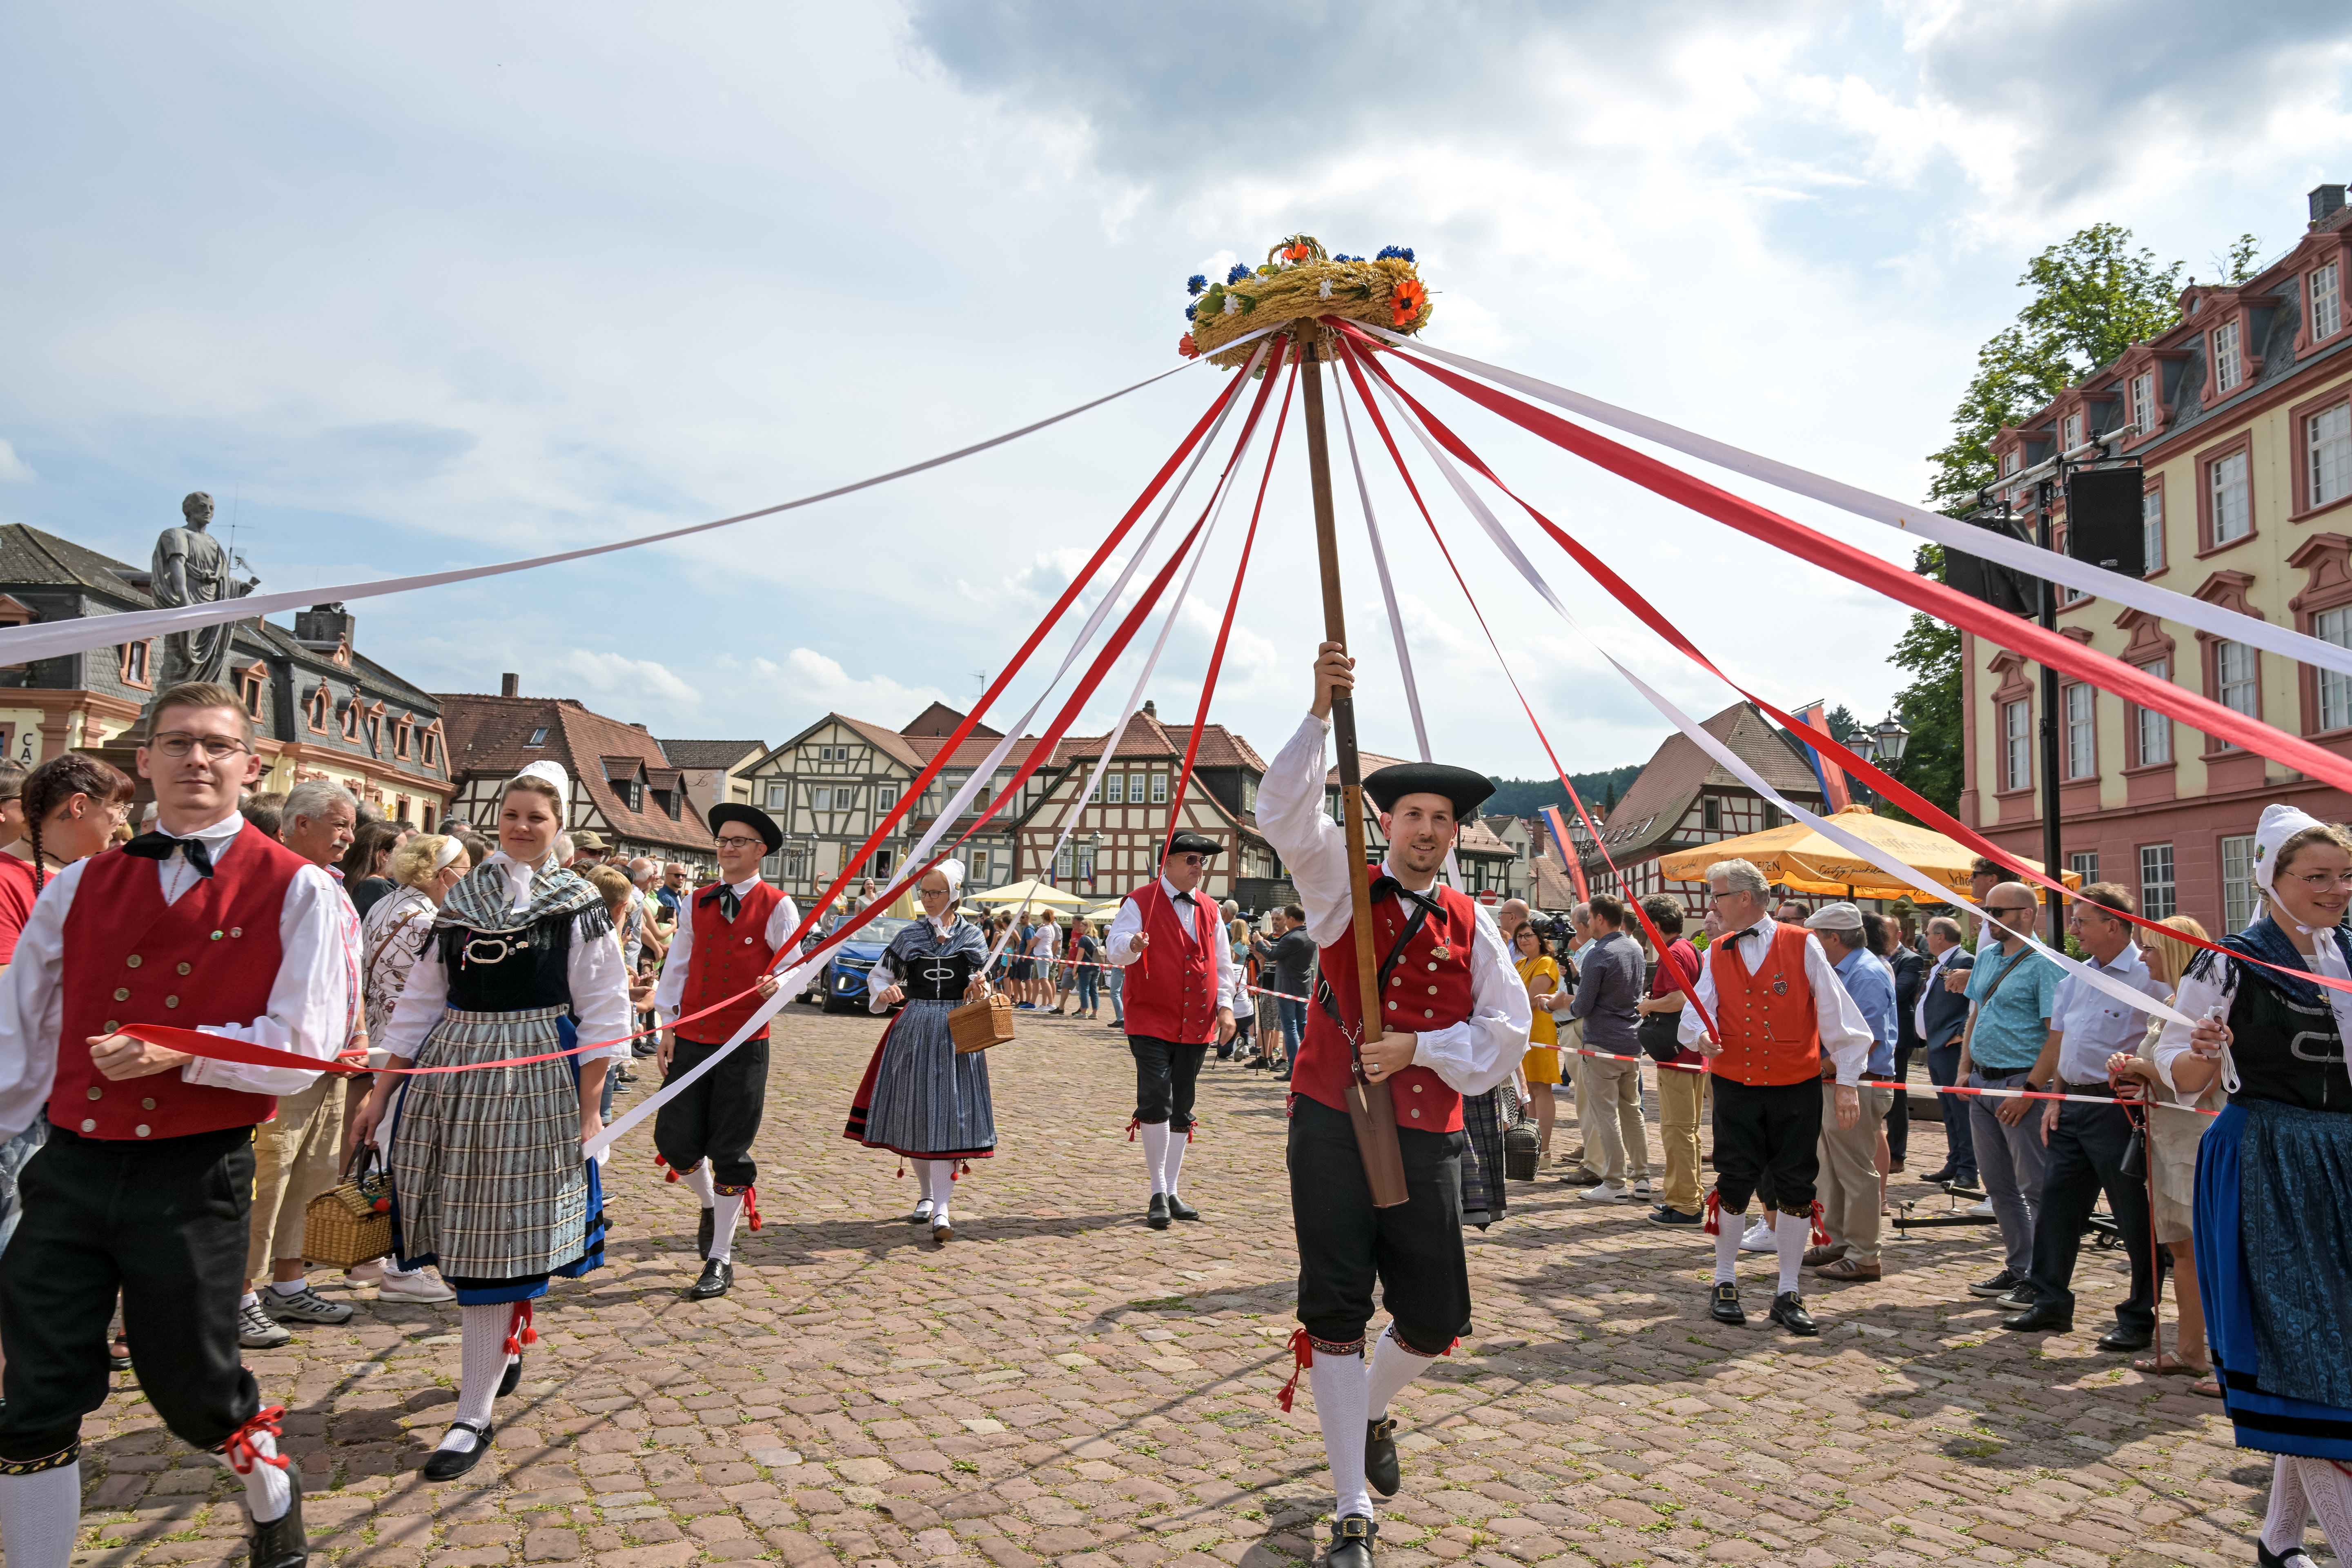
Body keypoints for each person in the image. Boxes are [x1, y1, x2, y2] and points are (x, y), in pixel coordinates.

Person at [0, 682, 355, 1568]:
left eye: (218, 745)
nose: (198, 759)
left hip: (194, 1175)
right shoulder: (77, 885)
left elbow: (307, 1047)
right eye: (179, 744)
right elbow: (25, 1036)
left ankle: (269, 1478)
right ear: (144, 759)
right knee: (34, 1394)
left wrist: (182, 1055)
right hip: (71, 1164)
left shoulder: (301, 888)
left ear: (250, 765)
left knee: (191, 1387)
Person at [1255, 643, 1529, 1568]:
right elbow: (1282, 811)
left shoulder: (1473, 919)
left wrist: (1421, 1048)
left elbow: (1505, 1032)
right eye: (1409, 812)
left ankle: (1372, 1406)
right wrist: (1313, 708)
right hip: (1331, 1121)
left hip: (1427, 1134)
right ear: (1382, 821)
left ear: (1454, 833)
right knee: (1334, 1303)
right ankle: (1349, 1507)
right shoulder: (1336, 887)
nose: (1424, 827)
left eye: (1439, 817)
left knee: (1436, 1313)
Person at [348, 760, 630, 1483]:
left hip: (537, 1076)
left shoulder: (577, 903)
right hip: (456, 1076)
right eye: (512, 814)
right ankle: (498, 1352)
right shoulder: (462, 896)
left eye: (537, 817)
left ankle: (471, 1412)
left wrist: (590, 1107)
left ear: (558, 824)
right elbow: (419, 1001)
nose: (521, 826)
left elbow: (603, 1013)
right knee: (471, 1227)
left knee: (505, 1232)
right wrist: (383, 1094)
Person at [2151, 807, 2352, 1563]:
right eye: (2318, 877)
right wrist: (2203, 1049)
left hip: (2344, 1159)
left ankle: (2276, 1541)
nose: (2337, 890)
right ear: (2272, 879)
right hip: (2270, 1158)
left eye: (2344, 876)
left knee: (2334, 1352)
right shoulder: (2228, 963)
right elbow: (2182, 1073)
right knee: (2301, 1350)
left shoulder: (2350, 955)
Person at [1682, 858, 1873, 1337]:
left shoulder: (1803, 943)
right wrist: (1700, 1038)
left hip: (1795, 1085)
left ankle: (1788, 1291)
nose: (1713, 906)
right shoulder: (1716, 950)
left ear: (1744, 898)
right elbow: (1695, 1015)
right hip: (1735, 1084)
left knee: (1795, 1184)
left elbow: (1839, 1017)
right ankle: (1725, 1280)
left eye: (1718, 896)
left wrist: (1847, 1082)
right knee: (1734, 1178)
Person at [0, 755, 136, 1374]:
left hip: (62, 1088)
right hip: (18, 1092)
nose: (122, 822)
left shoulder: (72, 878)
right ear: (78, 807)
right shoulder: (9, 878)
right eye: (116, 808)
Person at [1996, 883, 2169, 1344]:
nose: (2073, 931)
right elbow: (2062, 1043)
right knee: (2057, 1207)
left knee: (2134, 1217)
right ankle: (2050, 1301)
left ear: (2114, 925)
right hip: (2073, 1104)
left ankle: (2138, 1317)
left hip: (2121, 1111)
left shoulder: (2152, 976)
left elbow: (2169, 1042)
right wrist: (2054, 1098)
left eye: (2081, 922)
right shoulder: (2076, 976)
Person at [240, 777, 367, 1351]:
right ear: (299, 824)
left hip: (332, 1061)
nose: (349, 835)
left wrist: (357, 1033)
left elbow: (347, 972)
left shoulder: (335, 887)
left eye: (352, 825)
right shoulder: (275, 882)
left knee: (313, 1178)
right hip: (286, 1061)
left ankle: (288, 1284)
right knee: (269, 1176)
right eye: (339, 824)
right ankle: (239, 1294)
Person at [651, 804, 796, 1298]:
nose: (727, 848)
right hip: (692, 1038)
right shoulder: (695, 902)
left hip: (744, 1046)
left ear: (760, 851)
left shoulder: (778, 904)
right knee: (675, 1141)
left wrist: (778, 983)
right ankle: (711, 1203)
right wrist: (668, 1025)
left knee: (730, 1151)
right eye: (723, 839)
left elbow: (797, 968)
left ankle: (720, 1258)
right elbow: (679, 965)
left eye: (738, 841)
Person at [845, 861, 995, 1243]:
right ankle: (927, 1195)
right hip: (915, 1029)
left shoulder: (974, 937)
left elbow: (990, 986)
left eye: (936, 893)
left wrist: (982, 988)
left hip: (958, 1033)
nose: (928, 900)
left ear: (955, 894)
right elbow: (879, 975)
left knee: (948, 1114)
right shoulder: (909, 936)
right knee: (917, 1112)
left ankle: (943, 1209)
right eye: (924, 893)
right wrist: (885, 991)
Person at [354, 831, 473, 1305]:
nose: (467, 882)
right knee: (405, 1153)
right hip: (413, 1049)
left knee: (380, 1146)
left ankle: (366, 1254)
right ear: (442, 874)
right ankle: (402, 1268)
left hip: (384, 1038)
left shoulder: (387, 904)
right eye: (463, 873)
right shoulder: (425, 920)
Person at [1105, 833, 1238, 1227]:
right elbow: (1114, 950)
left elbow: (1224, 967)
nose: (1200, 867)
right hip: (1150, 1018)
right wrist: (1133, 943)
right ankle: (1158, 1190)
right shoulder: (1140, 902)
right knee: (1155, 1098)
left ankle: (1174, 1189)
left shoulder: (1211, 910)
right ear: (1171, 863)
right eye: (1193, 859)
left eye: (1203, 861)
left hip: (1197, 1022)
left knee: (1182, 1106)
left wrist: (1227, 1009)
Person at [2107, 915, 2217, 1380]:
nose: (2143, 956)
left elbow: (2202, 1077)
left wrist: (2142, 1067)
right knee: (2184, 1251)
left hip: (2196, 1142)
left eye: (2150, 948)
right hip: (2169, 1135)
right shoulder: (2172, 1002)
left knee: (2206, 1252)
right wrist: (2137, 1076)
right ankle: (2191, 1349)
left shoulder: (2204, 1007)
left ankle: (2225, 1360)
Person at [1953, 883, 2063, 1308]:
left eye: (1996, 910)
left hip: (2020, 1084)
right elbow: (1976, 1015)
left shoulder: (2045, 965)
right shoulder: (1986, 958)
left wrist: (2032, 1089)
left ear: (2026, 914)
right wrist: (1965, 1070)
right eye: (1985, 909)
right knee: (1998, 1185)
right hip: (1983, 1082)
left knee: (2033, 1185)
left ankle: (2042, 1276)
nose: (1986, 916)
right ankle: (2020, 1267)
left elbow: (2057, 1035)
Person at [1800, 903, 1895, 1284]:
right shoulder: (1849, 969)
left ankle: (1864, 1254)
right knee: (1832, 1168)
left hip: (1858, 1082)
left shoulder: (1866, 973)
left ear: (1833, 939)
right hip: (1838, 1081)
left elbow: (1865, 1040)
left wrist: (1822, 1068)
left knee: (1855, 1171)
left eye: (1816, 937)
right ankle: (1838, 1241)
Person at [1568, 894, 1648, 1202]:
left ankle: (1615, 1182)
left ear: (1600, 918)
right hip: (1631, 1041)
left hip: (1602, 1042)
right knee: (1632, 1112)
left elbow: (1583, 1006)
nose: (1588, 923)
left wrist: (1560, 1004)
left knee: (1606, 1115)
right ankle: (1642, 1178)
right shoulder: (1635, 947)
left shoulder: (1599, 953)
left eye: (1590, 917)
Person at [1634, 894, 1706, 1227]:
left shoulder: (1674, 952)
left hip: (1679, 1053)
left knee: (1677, 1130)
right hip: (1690, 1052)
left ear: (1657, 925)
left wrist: (1649, 1006)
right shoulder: (1689, 949)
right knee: (1687, 1131)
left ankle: (1685, 1204)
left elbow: (1679, 998)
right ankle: (1687, 1195)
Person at [1914, 917, 1976, 1186]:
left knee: (1961, 1111)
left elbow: (1975, 1002)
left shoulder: (1964, 961)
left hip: (1952, 1048)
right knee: (1948, 1110)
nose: (1924, 937)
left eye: (1927, 933)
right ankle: (1954, 1162)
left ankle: (1968, 1169)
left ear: (1941, 936)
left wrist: (1961, 1033)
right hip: (1937, 1046)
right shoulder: (1942, 963)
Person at [1880, 913, 1927, 1174]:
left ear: (1898, 935)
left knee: (1896, 1096)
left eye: (1885, 933)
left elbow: (1899, 993)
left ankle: (1897, 1153)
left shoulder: (1910, 959)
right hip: (1876, 1035)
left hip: (1898, 1036)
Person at [1513, 924, 1563, 1164]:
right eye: (1520, 936)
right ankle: (1532, 1146)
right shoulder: (1520, 964)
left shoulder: (1546, 962)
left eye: (1528, 936)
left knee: (1542, 1089)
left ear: (1540, 939)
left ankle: (1544, 1149)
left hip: (1539, 1033)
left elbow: (1532, 998)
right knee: (1528, 1091)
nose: (1523, 940)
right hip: (1522, 1032)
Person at [1255, 905, 1316, 1077]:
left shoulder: (1291, 938)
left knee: (1289, 1027)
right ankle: (1306, 1065)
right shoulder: (1310, 934)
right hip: (1303, 987)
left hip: (1287, 988)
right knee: (1302, 1026)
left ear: (1290, 919)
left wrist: (1259, 941)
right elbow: (1280, 954)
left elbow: (1272, 956)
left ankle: (1294, 1068)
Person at [340, 821, 402, 917]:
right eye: (405, 851)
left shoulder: (353, 879)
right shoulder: (379, 887)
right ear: (384, 855)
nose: (409, 856)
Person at [1071, 918, 1104, 1019]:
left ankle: (1084, 1012)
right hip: (1096, 967)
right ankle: (1095, 1012)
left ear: (1086, 927)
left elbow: (1080, 955)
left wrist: (1075, 968)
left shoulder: (1084, 939)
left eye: (1082, 926)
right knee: (1094, 990)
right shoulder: (1097, 939)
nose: (1080, 928)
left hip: (1085, 967)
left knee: (1084, 989)